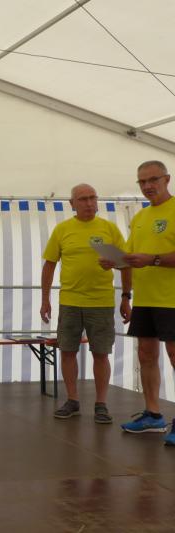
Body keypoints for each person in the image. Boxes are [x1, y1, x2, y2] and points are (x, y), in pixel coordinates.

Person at [40, 183, 131, 423]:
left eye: (92, 197)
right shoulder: (62, 230)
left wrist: (126, 297)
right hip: (70, 301)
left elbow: (125, 264)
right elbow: (49, 265)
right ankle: (72, 400)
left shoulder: (109, 229)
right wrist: (45, 299)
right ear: (72, 204)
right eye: (83, 199)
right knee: (67, 351)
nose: (89, 203)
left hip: (101, 302)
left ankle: (101, 404)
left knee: (101, 353)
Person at [110, 161, 175, 446]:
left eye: (153, 180)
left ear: (167, 179)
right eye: (142, 182)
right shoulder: (140, 216)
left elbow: (151, 257)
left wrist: (154, 259)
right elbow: (130, 256)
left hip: (171, 299)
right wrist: (114, 261)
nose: (147, 186)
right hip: (146, 299)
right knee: (146, 355)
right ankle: (153, 414)